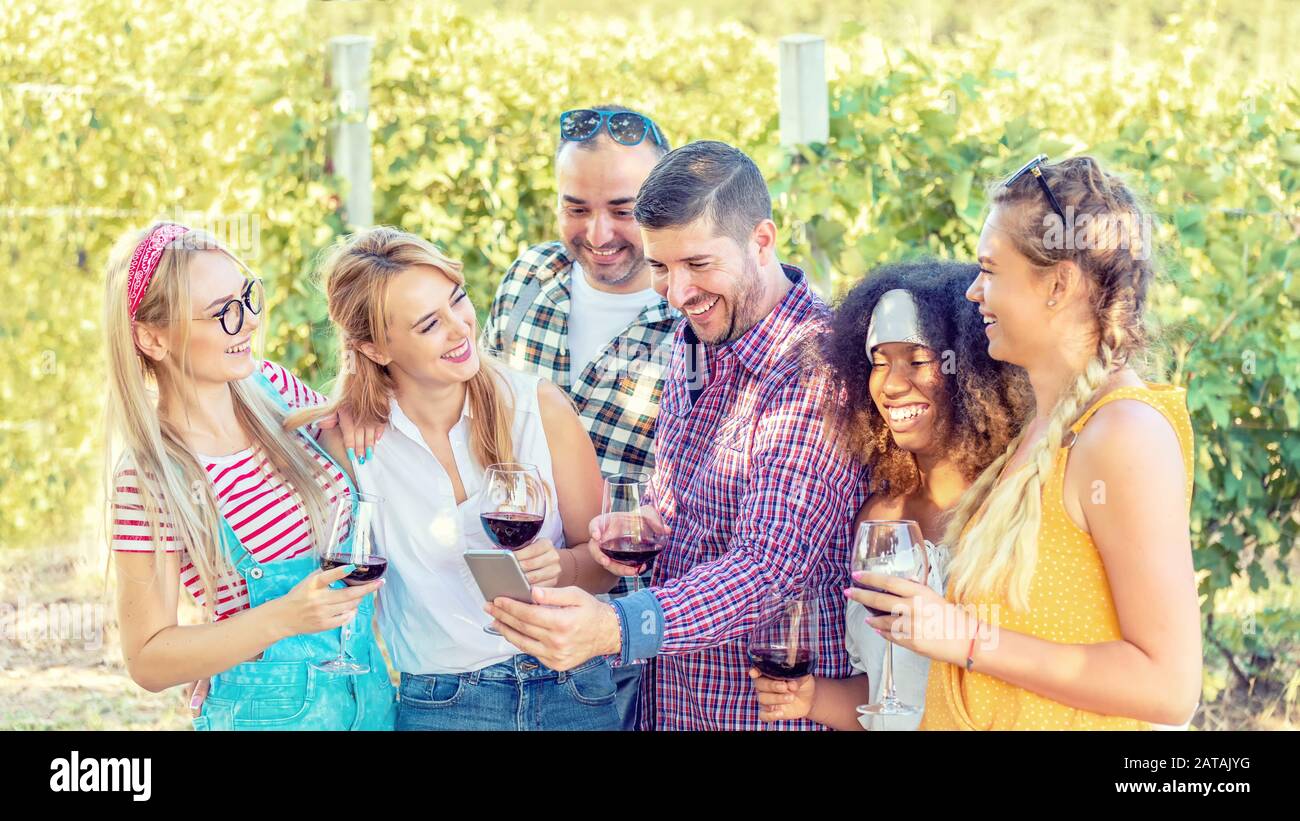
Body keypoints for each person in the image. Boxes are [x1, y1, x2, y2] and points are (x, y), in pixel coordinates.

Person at [482, 141, 866, 730]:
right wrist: (642, 529)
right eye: (661, 267)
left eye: (698, 264)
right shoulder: (692, 343)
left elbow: (767, 566)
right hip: (671, 708)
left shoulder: (816, 370)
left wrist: (616, 626)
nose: (677, 292)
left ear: (761, 242)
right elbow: (681, 507)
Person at [853, 155, 1202, 729]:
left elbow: (1168, 686)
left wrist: (963, 637)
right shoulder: (1042, 429)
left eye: (990, 270)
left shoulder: (1123, 435)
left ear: (1057, 285)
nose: (973, 291)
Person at [293, 226, 622, 730]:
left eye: (457, 300)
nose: (460, 328)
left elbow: (605, 565)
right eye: (429, 324)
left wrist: (559, 566)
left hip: (571, 688)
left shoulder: (538, 407)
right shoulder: (350, 444)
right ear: (376, 349)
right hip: (445, 703)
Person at [106, 221, 395, 730]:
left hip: (369, 704)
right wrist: (281, 618)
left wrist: (363, 409)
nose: (246, 324)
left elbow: (359, 446)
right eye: (221, 314)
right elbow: (148, 660)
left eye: (246, 298)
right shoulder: (150, 477)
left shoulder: (275, 389)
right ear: (152, 337)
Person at [749, 261, 1032, 729]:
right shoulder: (879, 519)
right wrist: (810, 697)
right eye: (879, 362)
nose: (893, 383)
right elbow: (883, 694)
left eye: (917, 360)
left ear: (974, 371)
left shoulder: (1010, 509)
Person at [481, 105, 679, 728]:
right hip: (494, 627)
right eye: (576, 208)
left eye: (623, 210)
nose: (597, 233)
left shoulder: (696, 315)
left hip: (621, 647)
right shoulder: (528, 279)